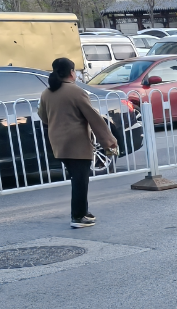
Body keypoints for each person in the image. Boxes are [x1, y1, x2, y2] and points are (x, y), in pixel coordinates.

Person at [37, 57, 119, 229]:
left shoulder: (47, 93)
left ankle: (83, 211)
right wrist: (109, 142)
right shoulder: (76, 91)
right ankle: (78, 217)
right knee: (80, 180)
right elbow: (94, 118)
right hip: (77, 143)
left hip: (58, 143)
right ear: (71, 72)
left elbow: (43, 117)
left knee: (78, 177)